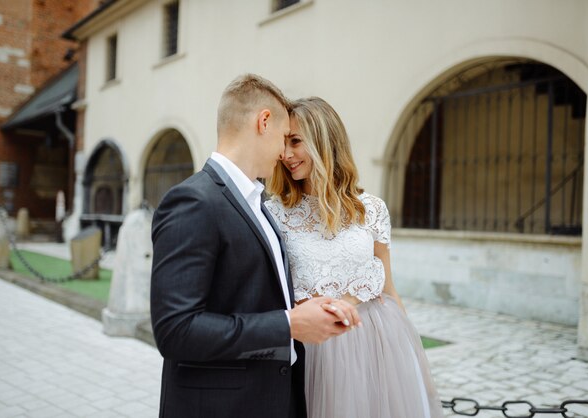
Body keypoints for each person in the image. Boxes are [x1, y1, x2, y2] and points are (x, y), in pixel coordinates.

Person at [150, 75, 361, 418]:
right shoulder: (193, 201)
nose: (284, 153)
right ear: (263, 122)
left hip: (273, 399)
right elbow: (176, 330)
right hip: (221, 407)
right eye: (283, 138)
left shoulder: (257, 202)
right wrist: (288, 324)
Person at [265, 97, 445, 418]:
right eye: (283, 143)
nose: (286, 154)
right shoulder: (274, 213)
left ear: (324, 141)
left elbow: (388, 287)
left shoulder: (371, 209)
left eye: (296, 141)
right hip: (312, 351)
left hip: (377, 343)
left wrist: (415, 361)